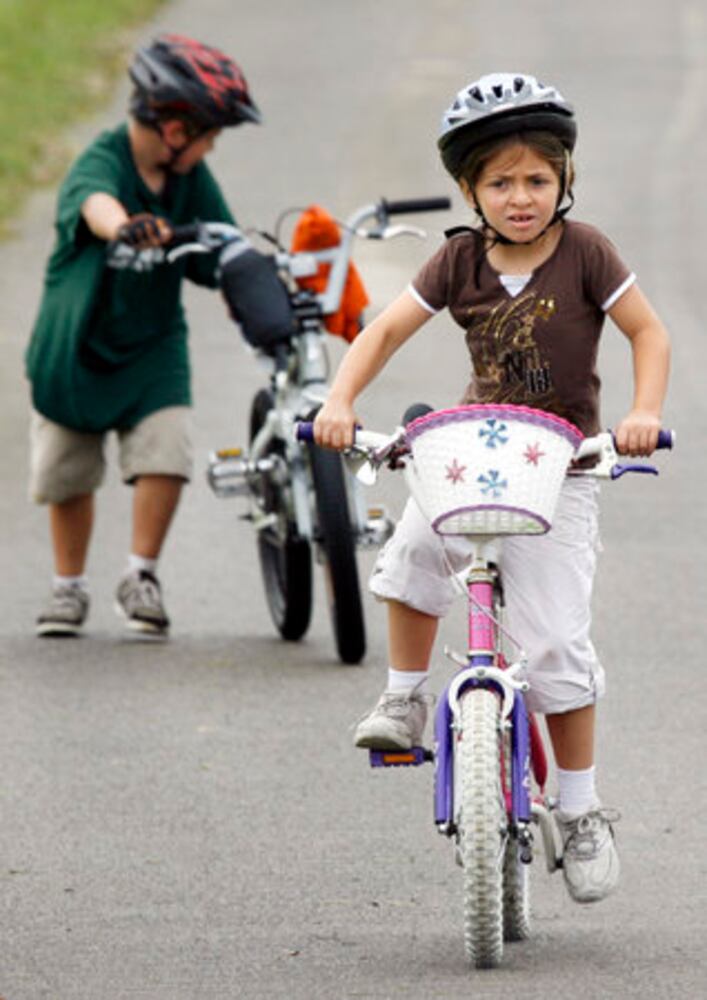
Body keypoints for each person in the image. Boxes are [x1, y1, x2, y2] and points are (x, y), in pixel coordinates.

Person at [313, 72, 670, 904]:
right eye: (499, 182)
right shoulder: (457, 259)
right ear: (468, 189)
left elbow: (646, 331)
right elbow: (387, 330)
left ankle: (578, 810)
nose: (520, 198)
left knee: (552, 647)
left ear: (564, 181)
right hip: (475, 447)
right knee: (413, 551)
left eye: (537, 180)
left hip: (564, 461)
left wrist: (641, 412)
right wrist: (338, 400)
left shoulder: (588, 253)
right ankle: (403, 699)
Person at [26, 34, 261, 639]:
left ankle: (141, 576)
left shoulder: (190, 178)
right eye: (209, 132)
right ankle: (68, 586)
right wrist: (127, 227)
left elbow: (219, 245)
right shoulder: (102, 159)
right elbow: (93, 203)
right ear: (175, 126)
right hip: (76, 344)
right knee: (68, 472)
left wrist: (252, 282)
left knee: (166, 450)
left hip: (154, 346)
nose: (211, 145)